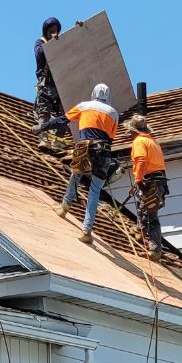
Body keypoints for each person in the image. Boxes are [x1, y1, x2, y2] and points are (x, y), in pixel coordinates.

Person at [54, 83, 119, 244]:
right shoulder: (114, 113)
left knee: (75, 176)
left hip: (85, 147)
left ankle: (64, 207)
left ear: (93, 93)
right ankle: (86, 230)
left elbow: (63, 120)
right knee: (94, 191)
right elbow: (111, 138)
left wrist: (43, 126)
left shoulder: (84, 106)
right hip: (104, 152)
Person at [126, 113, 169, 260]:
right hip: (159, 180)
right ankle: (142, 232)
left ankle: (154, 249)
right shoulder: (153, 142)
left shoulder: (139, 141)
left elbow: (141, 160)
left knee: (148, 214)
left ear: (133, 131)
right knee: (147, 210)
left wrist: (138, 180)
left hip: (150, 181)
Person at [31, 17, 69, 144]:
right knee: (44, 113)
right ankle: (44, 140)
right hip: (46, 85)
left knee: (64, 115)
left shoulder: (59, 42)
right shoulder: (40, 42)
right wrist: (53, 43)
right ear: (46, 32)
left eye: (56, 31)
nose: (54, 33)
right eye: (51, 31)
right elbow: (40, 54)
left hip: (59, 85)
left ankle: (58, 141)